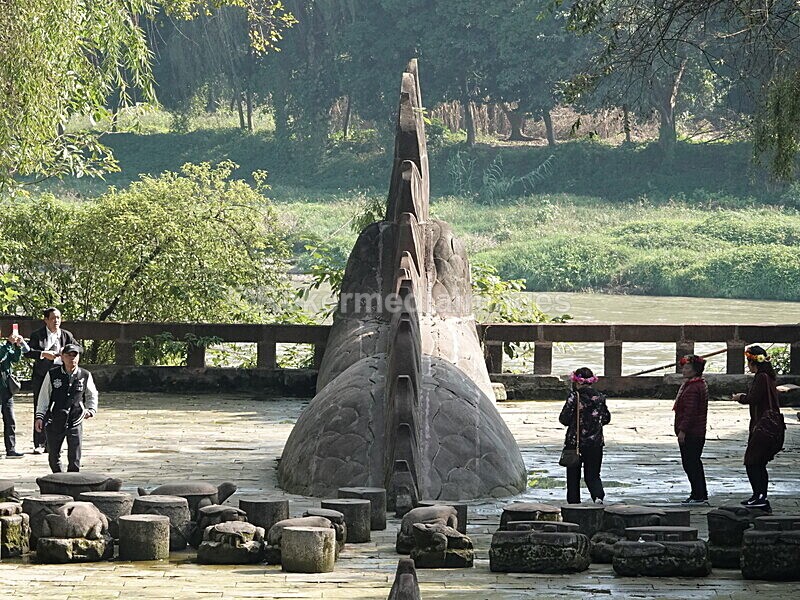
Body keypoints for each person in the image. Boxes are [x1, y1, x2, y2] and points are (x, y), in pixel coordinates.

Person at [732, 345, 783, 511]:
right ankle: (759, 497)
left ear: (753, 362)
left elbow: (753, 398)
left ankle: (760, 496)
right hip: (768, 425)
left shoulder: (761, 377)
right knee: (759, 463)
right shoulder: (769, 377)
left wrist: (740, 397)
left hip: (763, 425)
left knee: (752, 461)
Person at [34, 343, 98, 473]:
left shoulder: (85, 375)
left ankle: (73, 480)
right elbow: (44, 396)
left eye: (75, 355)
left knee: (75, 455)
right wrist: (39, 416)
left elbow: (92, 394)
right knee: (53, 454)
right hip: (55, 418)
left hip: (75, 418)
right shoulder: (52, 374)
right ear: (62, 357)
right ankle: (58, 478)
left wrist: (91, 409)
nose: (72, 358)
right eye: (69, 355)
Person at [24, 307, 76, 453]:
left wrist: (66, 353)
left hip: (60, 375)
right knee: (40, 407)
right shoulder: (37, 335)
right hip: (42, 375)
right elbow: (28, 352)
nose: (56, 321)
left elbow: (78, 349)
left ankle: (55, 443)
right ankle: (40, 443)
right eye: (53, 318)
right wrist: (43, 354)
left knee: (60, 408)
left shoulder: (66, 335)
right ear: (46, 320)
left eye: (58, 318)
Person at [559, 367, 611, 504]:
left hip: (575, 442)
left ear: (577, 382)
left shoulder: (574, 397)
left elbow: (564, 419)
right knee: (593, 475)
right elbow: (606, 418)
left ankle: (573, 504)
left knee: (573, 477)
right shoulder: (600, 397)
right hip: (595, 443)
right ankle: (598, 497)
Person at [674, 354, 709, 505]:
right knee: (694, 462)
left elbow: (690, 412)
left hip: (693, 432)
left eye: (687, 368)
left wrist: (683, 430)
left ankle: (698, 494)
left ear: (695, 370)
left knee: (690, 463)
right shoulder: (697, 384)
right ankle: (699, 493)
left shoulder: (693, 388)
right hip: (697, 431)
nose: (684, 370)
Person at [1, 330, 28, 458]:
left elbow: (15, 359)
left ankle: (11, 449)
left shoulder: (4, 347)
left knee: (10, 420)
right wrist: (8, 343)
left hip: (6, 391)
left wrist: (17, 346)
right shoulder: (4, 347)